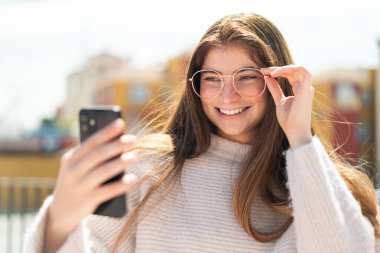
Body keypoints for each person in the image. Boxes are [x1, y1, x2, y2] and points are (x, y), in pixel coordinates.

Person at [24, 13, 380, 253]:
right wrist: (59, 221)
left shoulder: (321, 185)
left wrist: (301, 141)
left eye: (247, 77)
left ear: (278, 81)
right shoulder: (149, 168)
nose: (227, 95)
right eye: (211, 79)